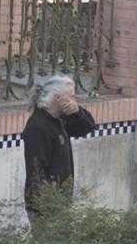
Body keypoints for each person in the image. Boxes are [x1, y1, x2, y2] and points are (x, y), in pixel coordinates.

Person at [22, 76, 97, 225]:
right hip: (45, 206)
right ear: (57, 98)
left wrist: (78, 112)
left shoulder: (61, 119)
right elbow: (37, 170)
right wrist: (47, 205)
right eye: (71, 97)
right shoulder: (38, 127)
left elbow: (87, 128)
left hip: (60, 201)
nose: (74, 100)